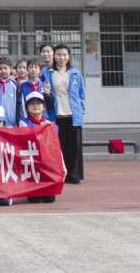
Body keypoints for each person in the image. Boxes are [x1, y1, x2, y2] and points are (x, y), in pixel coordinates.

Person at [40, 44, 85, 185]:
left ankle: (74, 174)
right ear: (54, 56)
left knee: (74, 147)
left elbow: (81, 94)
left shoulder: (75, 73)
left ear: (69, 56)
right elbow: (44, 94)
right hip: (56, 115)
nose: (62, 57)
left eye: (64, 55)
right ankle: (60, 173)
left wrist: (81, 110)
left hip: (72, 116)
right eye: (59, 55)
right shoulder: (47, 74)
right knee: (59, 147)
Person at [18, 92, 58, 204]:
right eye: (32, 104)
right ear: (27, 108)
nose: (36, 106)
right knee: (34, 199)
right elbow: (26, 134)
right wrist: (41, 127)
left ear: (44, 107)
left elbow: (56, 146)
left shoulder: (50, 124)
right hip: (31, 161)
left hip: (46, 161)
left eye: (39, 104)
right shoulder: (23, 122)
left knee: (50, 199)